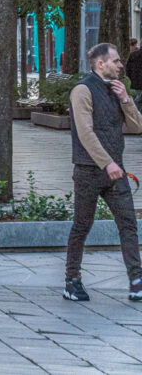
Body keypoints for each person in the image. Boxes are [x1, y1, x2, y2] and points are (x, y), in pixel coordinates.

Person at [63, 43, 142, 302]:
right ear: (101, 64)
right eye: (116, 61)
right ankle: (72, 280)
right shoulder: (82, 90)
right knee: (82, 225)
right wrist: (107, 163)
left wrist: (126, 100)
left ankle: (136, 281)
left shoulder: (116, 89)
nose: (121, 65)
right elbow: (85, 133)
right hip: (89, 171)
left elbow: (137, 127)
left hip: (116, 172)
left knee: (128, 224)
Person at [125, 38, 142, 105]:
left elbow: (128, 68)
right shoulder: (133, 54)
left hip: (136, 80)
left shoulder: (133, 54)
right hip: (137, 80)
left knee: (139, 97)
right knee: (139, 98)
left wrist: (131, 77)